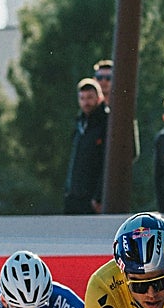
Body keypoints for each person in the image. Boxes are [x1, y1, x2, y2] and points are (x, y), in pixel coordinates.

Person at [63, 78, 108, 215]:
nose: (86, 102)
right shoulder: (80, 123)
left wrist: (99, 196)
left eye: (89, 98)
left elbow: (107, 164)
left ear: (99, 98)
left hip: (93, 198)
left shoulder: (106, 123)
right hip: (74, 195)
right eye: (82, 98)